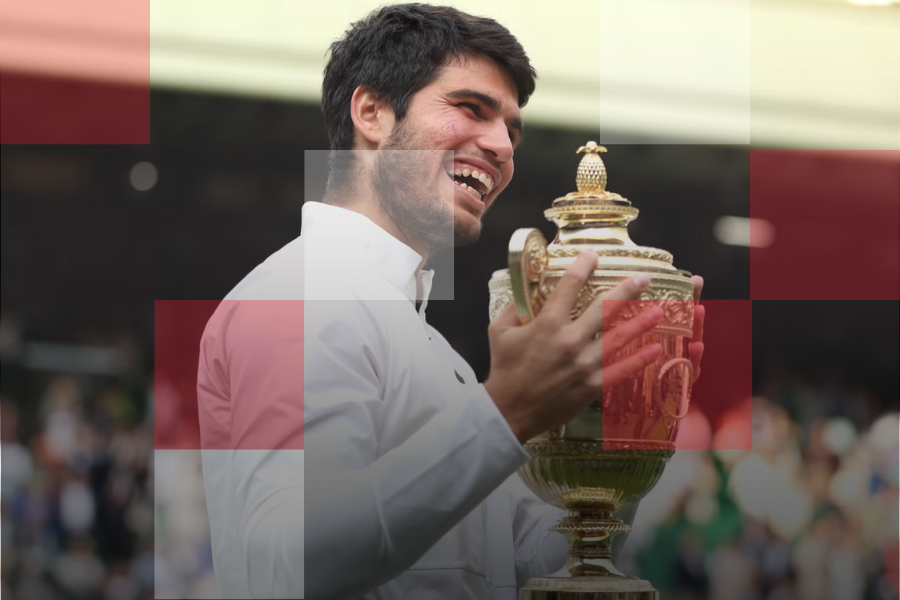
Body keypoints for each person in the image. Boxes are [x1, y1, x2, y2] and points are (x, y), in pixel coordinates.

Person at [197, 4, 705, 599]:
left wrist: (628, 409)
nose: (501, 146)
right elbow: (288, 566)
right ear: (373, 113)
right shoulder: (297, 296)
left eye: (512, 130)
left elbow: (529, 561)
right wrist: (507, 412)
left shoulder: (438, 353)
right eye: (471, 109)